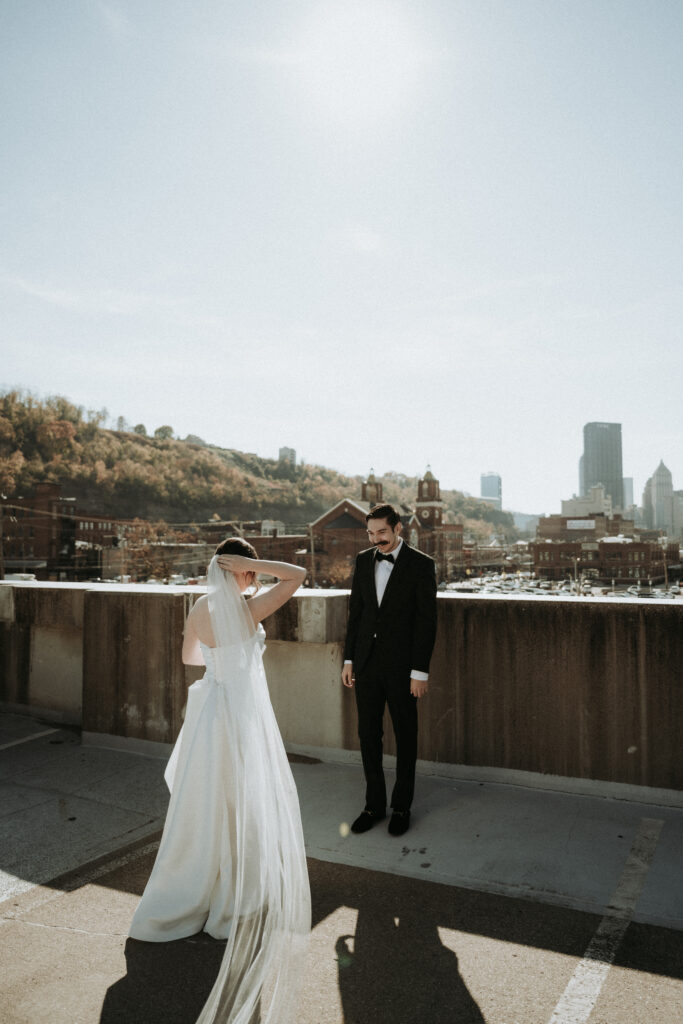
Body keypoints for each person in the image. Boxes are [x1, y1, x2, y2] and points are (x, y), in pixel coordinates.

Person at [129, 538, 310, 1024]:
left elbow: (191, 658)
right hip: (240, 720)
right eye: (248, 570)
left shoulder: (203, 607)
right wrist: (255, 565)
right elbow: (297, 575)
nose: (252, 578)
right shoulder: (248, 610)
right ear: (241, 569)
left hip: (208, 715)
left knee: (201, 807)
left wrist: (217, 653)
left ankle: (186, 892)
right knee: (239, 806)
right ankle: (229, 897)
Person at [342, 504, 437, 837]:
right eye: (370, 533)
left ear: (398, 528)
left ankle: (401, 807)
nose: (376, 539)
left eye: (381, 532)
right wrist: (349, 659)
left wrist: (419, 672)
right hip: (366, 665)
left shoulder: (422, 565)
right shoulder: (364, 560)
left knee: (406, 737)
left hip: (402, 670)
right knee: (368, 737)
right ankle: (373, 805)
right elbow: (357, 614)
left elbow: (427, 624)